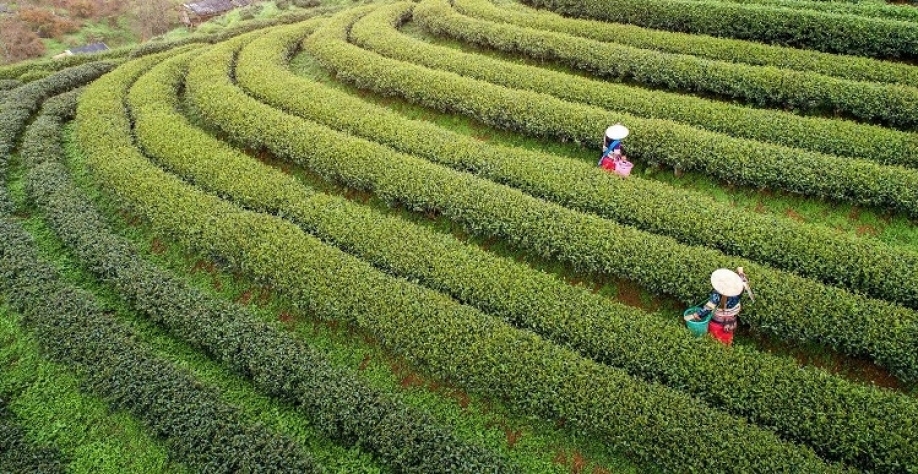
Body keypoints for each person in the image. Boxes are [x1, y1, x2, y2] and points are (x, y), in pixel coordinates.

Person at [687, 268, 750, 345]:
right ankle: (727, 345)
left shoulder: (717, 295)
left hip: (717, 323)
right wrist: (740, 273)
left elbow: (708, 308)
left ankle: (715, 345)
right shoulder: (738, 291)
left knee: (715, 339)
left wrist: (696, 315)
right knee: (726, 337)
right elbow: (743, 282)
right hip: (731, 323)